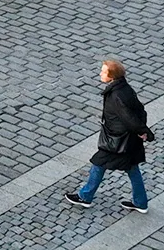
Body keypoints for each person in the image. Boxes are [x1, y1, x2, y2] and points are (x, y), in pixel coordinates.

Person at [64, 59, 152, 214]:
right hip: (128, 141)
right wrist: (141, 131)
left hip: (118, 141)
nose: (100, 73)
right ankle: (141, 202)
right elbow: (140, 110)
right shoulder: (125, 89)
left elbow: (129, 118)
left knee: (98, 163)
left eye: (103, 71)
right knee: (132, 169)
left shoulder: (116, 95)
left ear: (111, 76)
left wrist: (144, 131)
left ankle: (85, 196)